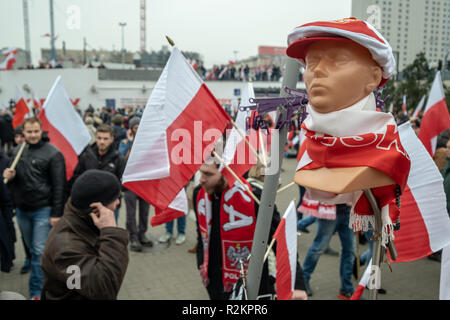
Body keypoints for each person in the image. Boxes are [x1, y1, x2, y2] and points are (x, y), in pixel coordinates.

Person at [193, 158, 307, 300]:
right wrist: (200, 264)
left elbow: (281, 240)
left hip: (253, 282)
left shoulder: (255, 197)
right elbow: (201, 234)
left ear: (226, 173)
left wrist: (297, 284)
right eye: (201, 172)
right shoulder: (199, 194)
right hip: (214, 281)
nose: (202, 179)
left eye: (208, 174)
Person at [2, 117, 66, 299]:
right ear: (23, 133)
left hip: (43, 209)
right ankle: (51, 277)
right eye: (29, 132)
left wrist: (56, 213)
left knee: (38, 251)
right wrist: (9, 176)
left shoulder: (53, 153)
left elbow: (59, 186)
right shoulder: (16, 152)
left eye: (36, 131)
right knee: (32, 250)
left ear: (41, 131)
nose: (32, 135)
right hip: (22, 210)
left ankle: (36, 292)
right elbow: (11, 186)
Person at [41, 169, 129, 300]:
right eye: (114, 198)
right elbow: (104, 290)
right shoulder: (66, 249)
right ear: (96, 208)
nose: (118, 202)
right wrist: (111, 233)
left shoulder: (84, 221)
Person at [68, 124, 125, 223]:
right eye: (99, 138)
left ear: (111, 139)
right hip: (88, 205)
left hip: (109, 205)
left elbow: (122, 182)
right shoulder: (86, 155)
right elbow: (77, 176)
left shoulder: (118, 159)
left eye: (105, 139)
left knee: (108, 234)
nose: (102, 142)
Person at [119, 117, 153, 252]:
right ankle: (133, 237)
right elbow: (121, 156)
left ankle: (142, 234)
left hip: (145, 184)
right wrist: (131, 142)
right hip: (131, 184)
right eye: (135, 127)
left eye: (139, 127)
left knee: (144, 212)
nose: (137, 129)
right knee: (130, 213)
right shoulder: (125, 142)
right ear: (131, 129)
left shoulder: (148, 143)